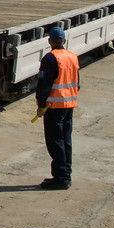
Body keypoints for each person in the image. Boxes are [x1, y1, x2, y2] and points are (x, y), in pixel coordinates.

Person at [32, 25, 79, 189]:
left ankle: (61, 178)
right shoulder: (72, 56)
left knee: (55, 141)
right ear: (64, 41)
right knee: (66, 140)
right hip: (69, 105)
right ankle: (66, 173)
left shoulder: (50, 59)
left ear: (49, 41)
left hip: (54, 106)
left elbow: (44, 85)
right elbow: (77, 83)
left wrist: (41, 105)